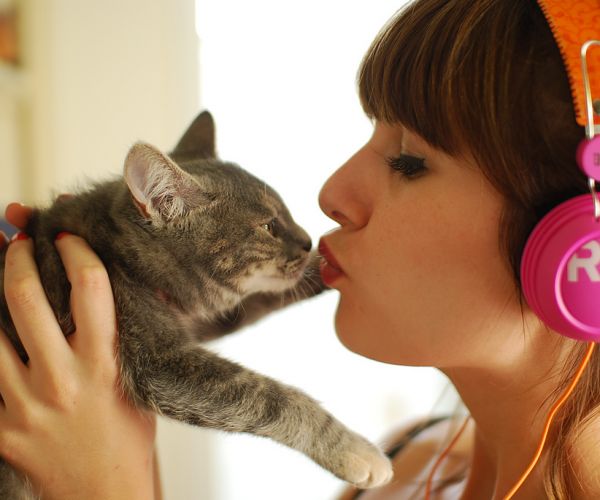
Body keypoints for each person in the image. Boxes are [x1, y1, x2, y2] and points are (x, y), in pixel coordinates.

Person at [1, 0, 599, 498]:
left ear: (581, 249)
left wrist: (102, 485)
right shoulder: (409, 464)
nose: (331, 192)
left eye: (409, 162)